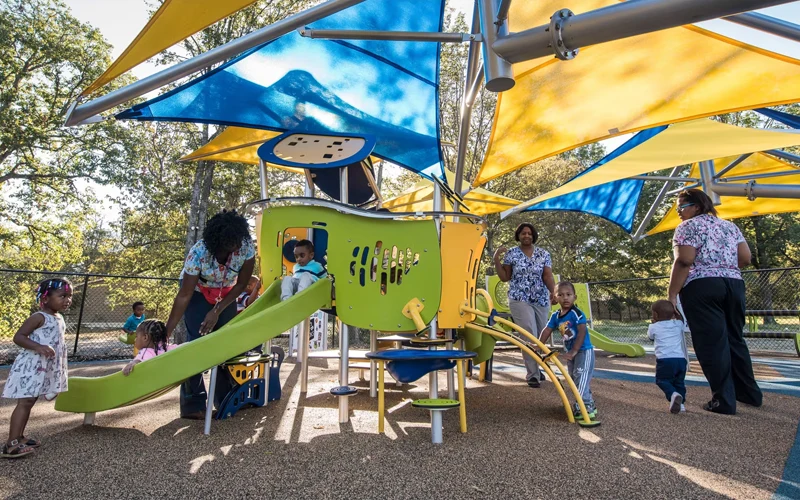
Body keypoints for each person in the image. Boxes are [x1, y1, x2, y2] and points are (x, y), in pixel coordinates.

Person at [667, 188, 762, 415]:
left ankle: (723, 401)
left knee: (712, 343)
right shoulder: (729, 226)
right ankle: (750, 394)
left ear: (697, 206)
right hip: (734, 284)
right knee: (735, 339)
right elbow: (745, 258)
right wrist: (722, 266)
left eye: (681, 207)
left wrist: (672, 295)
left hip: (702, 286)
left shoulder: (688, 227)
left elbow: (684, 261)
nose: (678, 212)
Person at [165, 210, 256, 420]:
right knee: (196, 343)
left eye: (235, 244)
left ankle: (225, 399)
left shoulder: (245, 246)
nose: (232, 250)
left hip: (227, 293)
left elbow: (242, 283)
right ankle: (192, 404)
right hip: (196, 291)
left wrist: (217, 310)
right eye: (227, 246)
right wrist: (167, 331)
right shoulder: (198, 253)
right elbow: (184, 295)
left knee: (225, 343)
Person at [2, 278, 72, 459]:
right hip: (31, 366)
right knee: (24, 402)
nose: (67, 300)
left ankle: (20, 437)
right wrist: (38, 346)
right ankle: (11, 444)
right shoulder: (38, 317)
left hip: (43, 367)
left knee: (30, 402)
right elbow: (19, 337)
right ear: (46, 298)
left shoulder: (59, 317)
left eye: (69, 296)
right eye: (63, 295)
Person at [493, 223, 556, 387]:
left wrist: (553, 292)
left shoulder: (543, 254)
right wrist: (496, 260)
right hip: (519, 298)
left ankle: (538, 367)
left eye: (529, 233)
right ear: (518, 236)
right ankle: (533, 374)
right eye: (523, 233)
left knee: (542, 335)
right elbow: (505, 277)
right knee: (528, 334)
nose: (526, 236)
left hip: (541, 299)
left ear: (533, 235)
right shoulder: (512, 254)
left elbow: (547, 276)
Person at [539, 281, 596, 418]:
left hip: (583, 351)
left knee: (581, 377)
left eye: (569, 294)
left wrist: (575, 350)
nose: (565, 298)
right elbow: (547, 330)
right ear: (555, 297)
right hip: (572, 353)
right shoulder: (555, 316)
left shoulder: (576, 314)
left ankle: (585, 405)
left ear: (574, 297)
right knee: (574, 378)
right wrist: (539, 344)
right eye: (561, 295)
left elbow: (582, 331)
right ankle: (589, 403)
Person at [648, 300, 688, 414]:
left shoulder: (653, 327)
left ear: (655, 314)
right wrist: (676, 313)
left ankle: (673, 395)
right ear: (673, 313)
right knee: (679, 382)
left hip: (665, 360)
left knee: (662, 380)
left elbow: (650, 338)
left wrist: (654, 322)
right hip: (680, 360)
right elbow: (681, 319)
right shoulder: (678, 324)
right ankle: (681, 405)